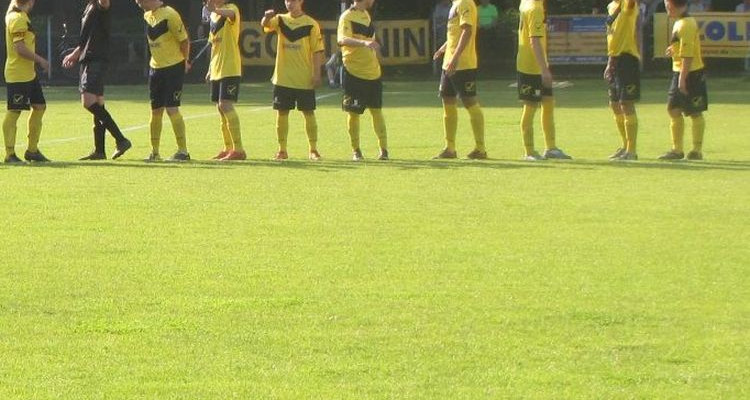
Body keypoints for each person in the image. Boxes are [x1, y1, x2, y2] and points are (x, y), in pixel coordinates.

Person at [62, 0, 132, 161]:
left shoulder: (101, 5)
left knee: (88, 101)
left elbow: (105, 3)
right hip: (89, 58)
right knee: (98, 103)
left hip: (95, 59)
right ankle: (99, 150)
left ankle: (121, 139)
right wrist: (76, 54)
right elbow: (88, 37)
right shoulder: (90, 6)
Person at [261, 0, 325, 161]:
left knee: (308, 112)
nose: (290, 3)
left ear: (301, 1)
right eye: (287, 0)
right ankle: (282, 150)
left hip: (304, 78)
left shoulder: (311, 24)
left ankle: (313, 150)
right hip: (283, 77)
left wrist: (317, 74)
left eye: (293, 0)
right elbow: (266, 26)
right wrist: (266, 17)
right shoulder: (280, 20)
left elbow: (317, 51)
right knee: (282, 112)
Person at [135, 0, 191, 162]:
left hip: (173, 67)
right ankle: (154, 152)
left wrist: (185, 61)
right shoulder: (147, 16)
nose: (137, 3)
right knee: (155, 110)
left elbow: (184, 41)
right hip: (155, 68)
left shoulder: (170, 14)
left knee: (172, 108)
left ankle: (183, 151)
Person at [516, 0, 572, 161]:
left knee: (548, 103)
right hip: (530, 66)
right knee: (530, 106)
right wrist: (544, 70)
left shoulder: (527, 2)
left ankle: (551, 148)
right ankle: (529, 152)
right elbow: (534, 41)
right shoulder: (535, 8)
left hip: (537, 64)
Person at [432, 0, 487, 160]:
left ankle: (480, 149)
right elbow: (455, 33)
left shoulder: (465, 3)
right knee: (447, 101)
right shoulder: (456, 3)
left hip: (462, 64)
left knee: (470, 102)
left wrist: (455, 58)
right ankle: (449, 148)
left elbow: (467, 30)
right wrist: (444, 48)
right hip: (448, 63)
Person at [337, 0, 389, 161]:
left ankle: (384, 150)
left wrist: (377, 56)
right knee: (353, 112)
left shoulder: (366, 14)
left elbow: (371, 42)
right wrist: (364, 43)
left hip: (373, 72)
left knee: (376, 111)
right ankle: (356, 151)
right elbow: (342, 40)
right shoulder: (347, 16)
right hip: (354, 72)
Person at [658, 0, 708, 161]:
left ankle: (695, 150)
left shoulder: (686, 24)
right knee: (674, 109)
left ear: (671, 5)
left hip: (690, 73)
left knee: (694, 111)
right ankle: (678, 150)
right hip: (682, 71)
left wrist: (682, 79)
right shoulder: (681, 21)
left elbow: (688, 55)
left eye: (667, 6)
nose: (666, 9)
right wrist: (673, 49)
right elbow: (683, 47)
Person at [3, 0, 50, 163]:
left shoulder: (17, 14)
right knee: (14, 111)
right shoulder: (17, 19)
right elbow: (20, 49)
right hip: (18, 75)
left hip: (29, 74)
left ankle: (32, 151)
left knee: (39, 106)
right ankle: (10, 154)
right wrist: (41, 60)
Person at [204, 0, 245, 161]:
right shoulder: (213, 16)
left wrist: (214, 9)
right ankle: (227, 148)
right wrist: (210, 69)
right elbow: (213, 45)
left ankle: (238, 149)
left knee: (225, 104)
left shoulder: (231, 8)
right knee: (220, 108)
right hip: (217, 68)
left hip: (230, 66)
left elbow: (231, 14)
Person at [605, 0, 641, 161]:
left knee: (626, 104)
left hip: (627, 58)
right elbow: (612, 37)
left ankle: (631, 150)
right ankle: (625, 145)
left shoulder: (627, 4)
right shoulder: (611, 6)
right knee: (614, 104)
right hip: (614, 59)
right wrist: (609, 62)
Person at [432, 0, 452, 75]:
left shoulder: (453, 6)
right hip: (439, 33)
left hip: (450, 32)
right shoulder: (438, 7)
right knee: (439, 52)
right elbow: (436, 20)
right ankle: (438, 70)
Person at [737, 0, 750, 71]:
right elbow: (736, 19)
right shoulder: (739, 7)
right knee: (744, 50)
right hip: (742, 31)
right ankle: (746, 68)